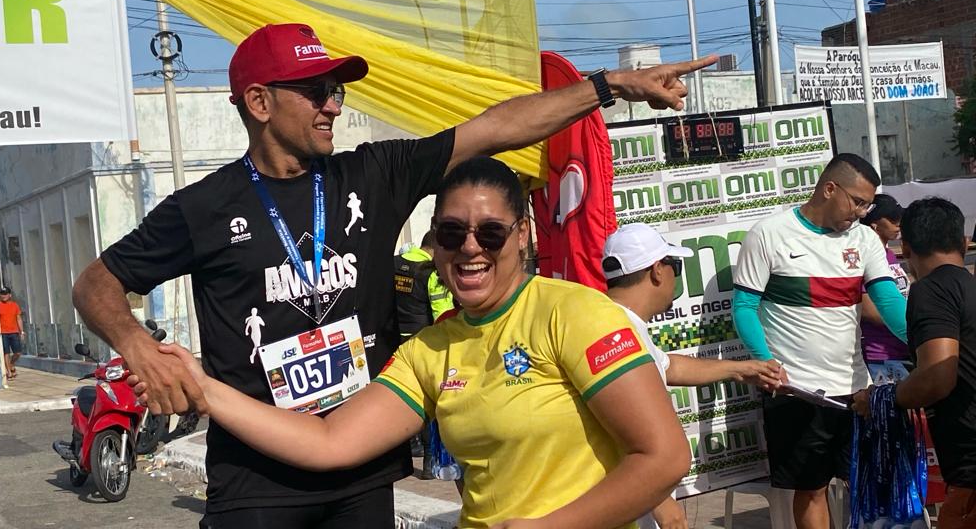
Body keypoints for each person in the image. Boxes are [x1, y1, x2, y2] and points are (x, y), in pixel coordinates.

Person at [71, 20, 714, 528]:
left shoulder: (372, 174)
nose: (333, 106)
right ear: (260, 102)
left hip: (363, 466)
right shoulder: (202, 208)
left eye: (337, 91)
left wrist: (610, 87)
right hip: (257, 479)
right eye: (316, 91)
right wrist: (137, 347)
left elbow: (495, 128)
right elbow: (95, 283)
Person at [135, 156, 691, 529]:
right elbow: (329, 442)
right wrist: (206, 390)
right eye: (451, 232)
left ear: (522, 234)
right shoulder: (430, 349)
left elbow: (664, 457)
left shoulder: (574, 312)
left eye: (490, 233)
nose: (470, 248)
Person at [731, 153, 908, 529]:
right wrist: (766, 363)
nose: (862, 213)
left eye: (868, 205)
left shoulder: (864, 239)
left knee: (866, 483)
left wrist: (924, 341)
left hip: (857, 389)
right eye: (857, 202)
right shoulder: (769, 234)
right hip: (796, 390)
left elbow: (889, 302)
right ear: (829, 189)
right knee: (812, 490)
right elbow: (744, 308)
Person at [602, 223, 786, 529]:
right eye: (676, 267)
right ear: (657, 271)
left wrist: (740, 368)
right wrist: (662, 502)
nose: (676, 277)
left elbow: (668, 367)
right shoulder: (617, 331)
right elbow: (618, 422)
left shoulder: (619, 322)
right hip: (636, 501)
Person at [852, 197, 976, 529]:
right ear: (964, 243)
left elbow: (938, 376)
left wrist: (880, 398)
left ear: (905, 248)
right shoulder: (969, 287)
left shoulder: (932, 291)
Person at [393, 229, 453, 475]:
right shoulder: (430, 273)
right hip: (425, 340)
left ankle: (412, 445)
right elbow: (442, 313)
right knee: (429, 399)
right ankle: (430, 460)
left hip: (397, 339)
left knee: (406, 396)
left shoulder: (394, 264)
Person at [858, 194, 912, 379]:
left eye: (899, 217)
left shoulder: (889, 255)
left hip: (904, 348)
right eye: (892, 219)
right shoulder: (863, 258)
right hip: (882, 355)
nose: (898, 223)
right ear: (874, 225)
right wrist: (914, 322)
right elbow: (869, 311)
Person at [394, 230, 453, 340]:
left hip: (392, 335)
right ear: (436, 249)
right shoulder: (432, 273)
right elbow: (442, 314)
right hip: (421, 338)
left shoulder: (393, 262)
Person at [0, 286, 25, 379]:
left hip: (14, 331)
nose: (3, 296)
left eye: (5, 294)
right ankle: (9, 372)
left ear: (10, 295)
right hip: (3, 332)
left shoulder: (15, 305)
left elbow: (18, 318)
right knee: (6, 352)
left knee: (18, 353)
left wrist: (21, 331)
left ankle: (11, 364)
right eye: (2, 294)